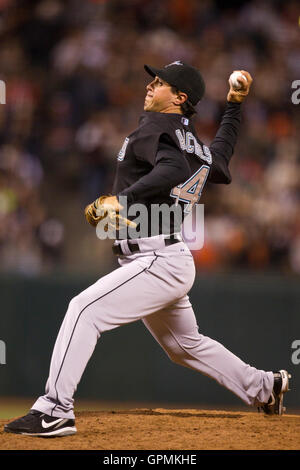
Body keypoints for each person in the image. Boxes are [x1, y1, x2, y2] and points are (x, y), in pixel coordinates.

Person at [4, 61, 291, 437]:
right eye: (153, 80)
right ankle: (263, 387)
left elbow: (170, 170)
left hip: (156, 257)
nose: (151, 85)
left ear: (180, 98)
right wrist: (235, 104)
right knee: (185, 345)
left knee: (82, 310)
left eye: (161, 83)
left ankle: (55, 410)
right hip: (166, 257)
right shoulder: (190, 142)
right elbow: (220, 159)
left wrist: (123, 199)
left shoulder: (158, 126)